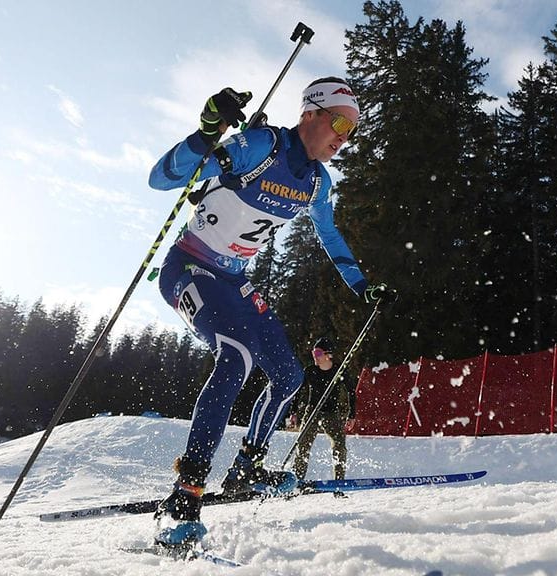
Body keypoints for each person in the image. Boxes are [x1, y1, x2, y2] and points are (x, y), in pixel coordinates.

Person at [147, 77, 389, 546]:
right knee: (235, 356)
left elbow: (330, 237)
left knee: (288, 375)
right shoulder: (262, 145)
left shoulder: (318, 182)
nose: (344, 135)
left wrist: (362, 285)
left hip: (234, 281)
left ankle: (246, 467)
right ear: (311, 113)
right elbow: (162, 179)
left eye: (353, 130)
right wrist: (207, 134)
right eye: (340, 122)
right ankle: (187, 491)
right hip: (189, 268)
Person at [291, 337, 354, 487]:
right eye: (313, 352)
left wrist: (352, 415)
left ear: (328, 355)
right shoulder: (310, 371)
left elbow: (351, 392)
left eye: (318, 353)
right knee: (302, 445)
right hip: (312, 412)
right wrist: (294, 412)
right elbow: (299, 392)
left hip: (332, 413)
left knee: (339, 446)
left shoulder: (339, 371)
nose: (315, 356)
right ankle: (295, 482)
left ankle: (339, 482)